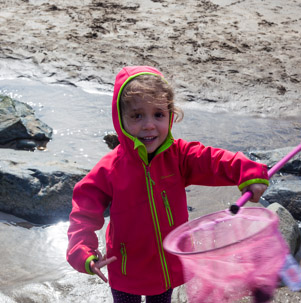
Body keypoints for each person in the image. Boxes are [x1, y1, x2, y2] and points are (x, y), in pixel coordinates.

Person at [66, 66, 269, 302]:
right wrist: (83, 252)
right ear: (120, 119)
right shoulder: (110, 169)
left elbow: (214, 161)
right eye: (137, 115)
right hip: (124, 269)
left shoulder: (180, 156)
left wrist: (248, 173)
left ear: (171, 115)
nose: (149, 125)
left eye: (158, 115)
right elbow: (83, 210)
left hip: (167, 267)